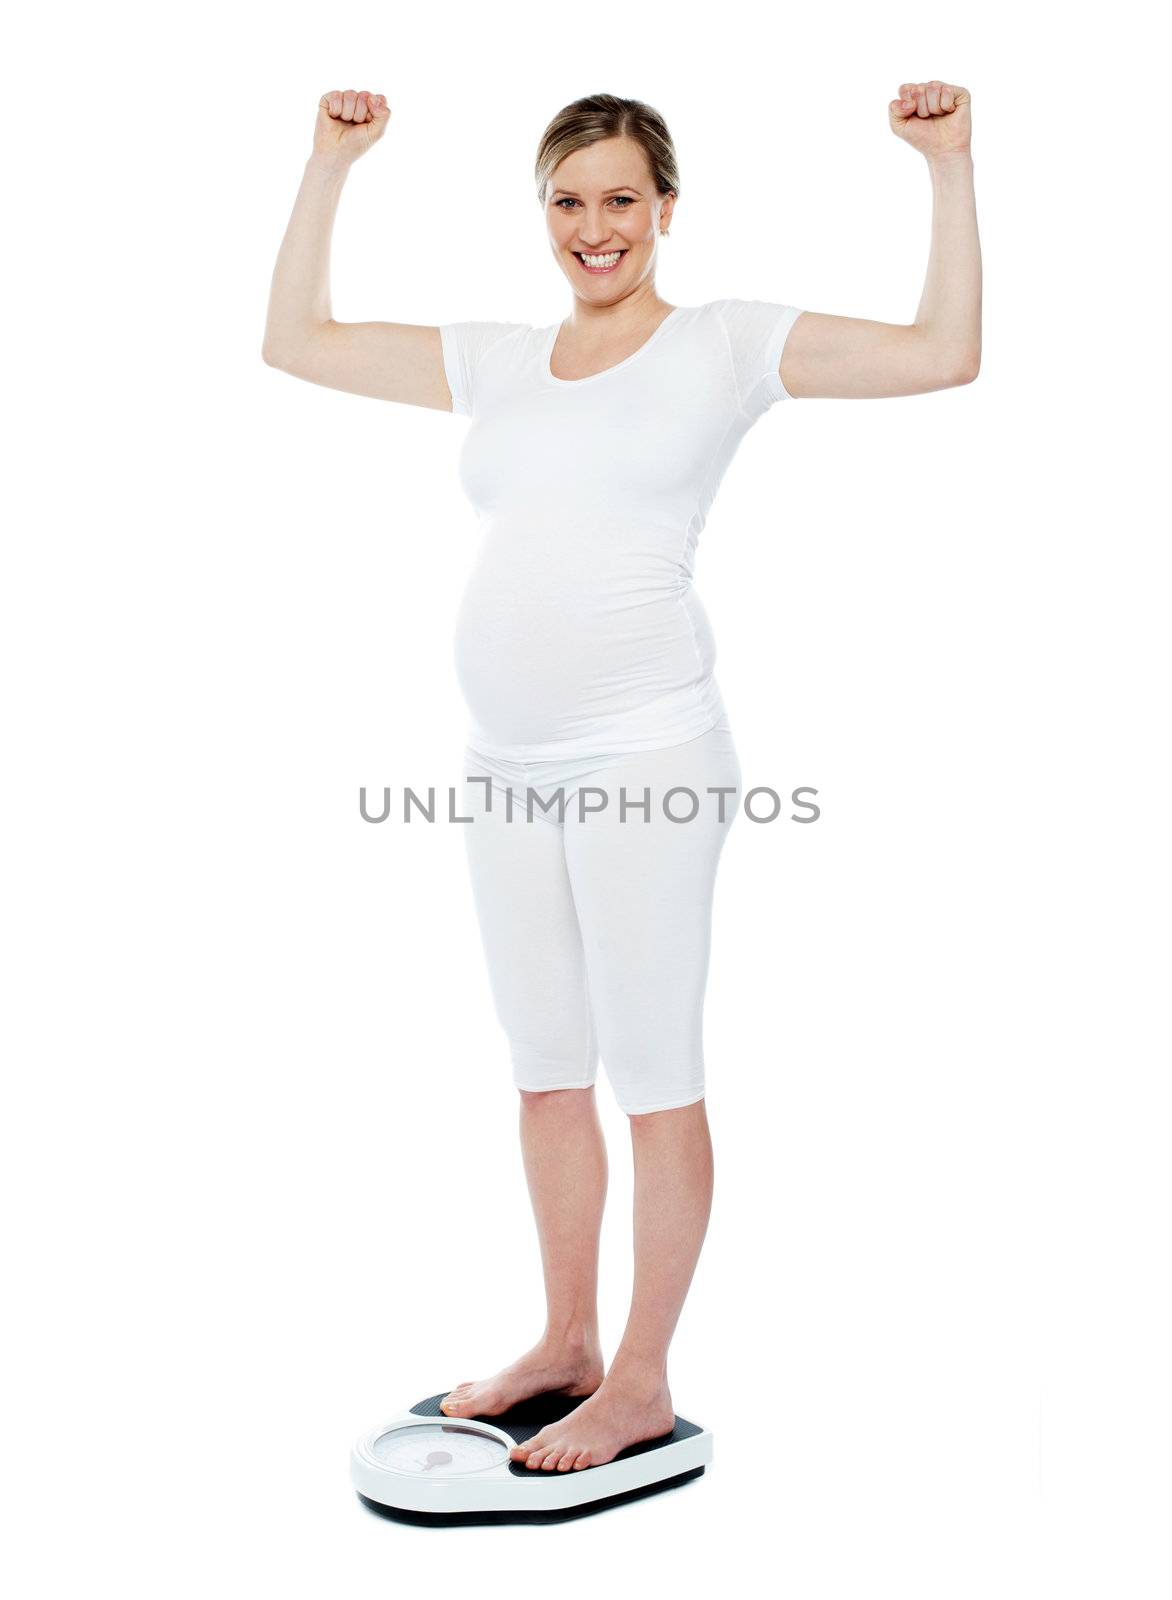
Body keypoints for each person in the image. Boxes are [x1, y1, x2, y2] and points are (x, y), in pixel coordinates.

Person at [262, 85, 981, 1474]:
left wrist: (948, 169)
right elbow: (295, 341)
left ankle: (642, 1379)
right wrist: (327, 165)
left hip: (649, 755)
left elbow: (944, 353)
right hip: (502, 768)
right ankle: (567, 1342)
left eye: (621, 199)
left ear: (665, 209)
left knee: (652, 1077)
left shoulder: (721, 345)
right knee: (544, 1077)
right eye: (569, 201)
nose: (596, 228)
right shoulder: (501, 358)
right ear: (545, 214)